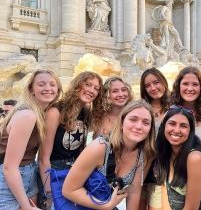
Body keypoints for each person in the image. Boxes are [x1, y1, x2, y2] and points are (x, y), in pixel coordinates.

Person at [62, 100, 157, 209]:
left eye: (146, 122)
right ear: (121, 123)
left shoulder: (142, 155)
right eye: (133, 119)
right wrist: (105, 206)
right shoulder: (100, 147)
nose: (139, 126)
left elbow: (134, 192)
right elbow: (69, 190)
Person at [39, 71, 104, 209]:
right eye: (88, 85)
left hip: (76, 171)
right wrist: (49, 192)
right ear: (78, 85)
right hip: (56, 171)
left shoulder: (86, 111)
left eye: (96, 88)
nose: (92, 90)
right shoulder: (55, 112)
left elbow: (83, 145)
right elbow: (43, 158)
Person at [0, 70, 62, 209]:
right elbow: (9, 167)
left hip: (29, 172)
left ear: (58, 90)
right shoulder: (27, 115)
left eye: (52, 84)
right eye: (41, 84)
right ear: (31, 89)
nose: (47, 88)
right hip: (9, 178)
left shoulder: (44, 113)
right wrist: (26, 207)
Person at [155, 105, 201, 209]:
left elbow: (191, 208)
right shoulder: (166, 153)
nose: (177, 130)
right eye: (172, 124)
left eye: (183, 126)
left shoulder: (194, 158)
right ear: (164, 126)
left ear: (190, 131)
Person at [139, 68, 170, 210]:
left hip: (163, 170)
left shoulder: (174, 108)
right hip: (140, 167)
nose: (152, 88)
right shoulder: (141, 108)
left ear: (163, 81)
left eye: (156, 82)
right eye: (147, 85)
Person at [170, 66, 201, 154]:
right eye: (185, 84)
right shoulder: (170, 114)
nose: (190, 89)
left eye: (195, 84)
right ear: (179, 86)